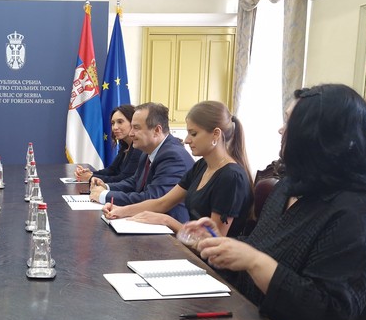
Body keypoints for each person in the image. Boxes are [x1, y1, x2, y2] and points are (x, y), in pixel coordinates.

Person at [182, 84, 366, 320]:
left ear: (319, 135)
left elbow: (328, 313)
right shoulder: (287, 188)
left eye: (290, 122)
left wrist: (254, 261)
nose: (281, 129)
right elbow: (263, 256)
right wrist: (218, 246)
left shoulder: (356, 214)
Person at [103, 101, 252, 237]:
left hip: (207, 255)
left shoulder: (231, 176)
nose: (186, 140)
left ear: (216, 134)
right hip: (191, 245)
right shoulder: (201, 166)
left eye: (193, 134)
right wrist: (120, 210)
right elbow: (162, 203)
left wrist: (167, 221)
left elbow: (213, 241)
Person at [89, 102, 195, 222]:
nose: (131, 133)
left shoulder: (173, 156)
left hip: (170, 228)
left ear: (157, 130)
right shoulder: (147, 151)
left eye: (136, 128)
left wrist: (104, 195)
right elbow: (134, 182)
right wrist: (106, 187)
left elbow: (153, 199)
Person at [74, 104, 142, 183]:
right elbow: (111, 170)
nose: (115, 127)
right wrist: (90, 173)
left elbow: (123, 179)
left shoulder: (139, 148)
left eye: (120, 122)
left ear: (133, 123)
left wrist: (90, 177)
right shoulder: (125, 146)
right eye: (113, 123)